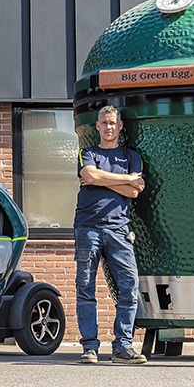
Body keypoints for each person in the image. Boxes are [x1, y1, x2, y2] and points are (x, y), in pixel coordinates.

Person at [73, 104, 148, 365]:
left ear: (120, 126)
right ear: (97, 126)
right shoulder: (87, 153)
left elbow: (135, 191)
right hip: (88, 228)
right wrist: (124, 179)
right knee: (85, 288)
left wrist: (102, 180)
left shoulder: (131, 156)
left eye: (113, 123)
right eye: (104, 123)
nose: (108, 127)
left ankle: (122, 347)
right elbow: (88, 174)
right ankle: (90, 347)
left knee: (129, 288)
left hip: (119, 230)